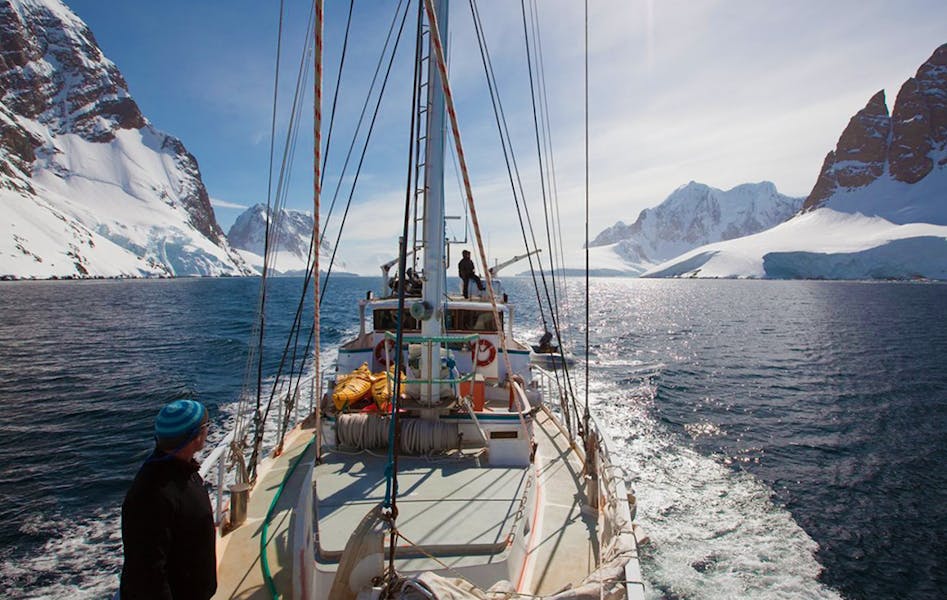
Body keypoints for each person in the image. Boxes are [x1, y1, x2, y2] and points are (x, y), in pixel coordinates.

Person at [120, 400, 217, 600]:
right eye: (206, 427)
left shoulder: (182, 470)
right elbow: (147, 573)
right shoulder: (152, 495)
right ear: (195, 437)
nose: (208, 431)